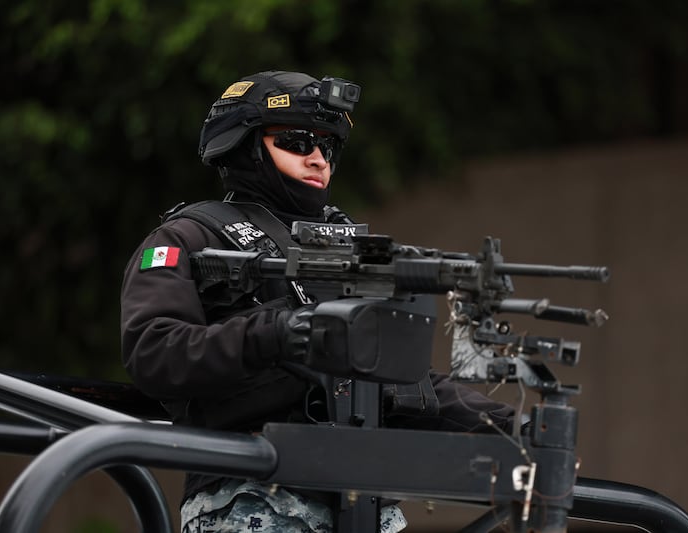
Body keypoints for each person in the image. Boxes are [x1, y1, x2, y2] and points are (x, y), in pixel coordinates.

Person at [120, 70, 516, 533]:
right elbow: (153, 350)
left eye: (327, 146)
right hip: (253, 495)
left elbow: (399, 377)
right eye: (296, 141)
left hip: (365, 501)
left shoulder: (341, 247)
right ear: (243, 145)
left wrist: (504, 427)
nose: (317, 159)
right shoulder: (189, 236)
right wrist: (277, 333)